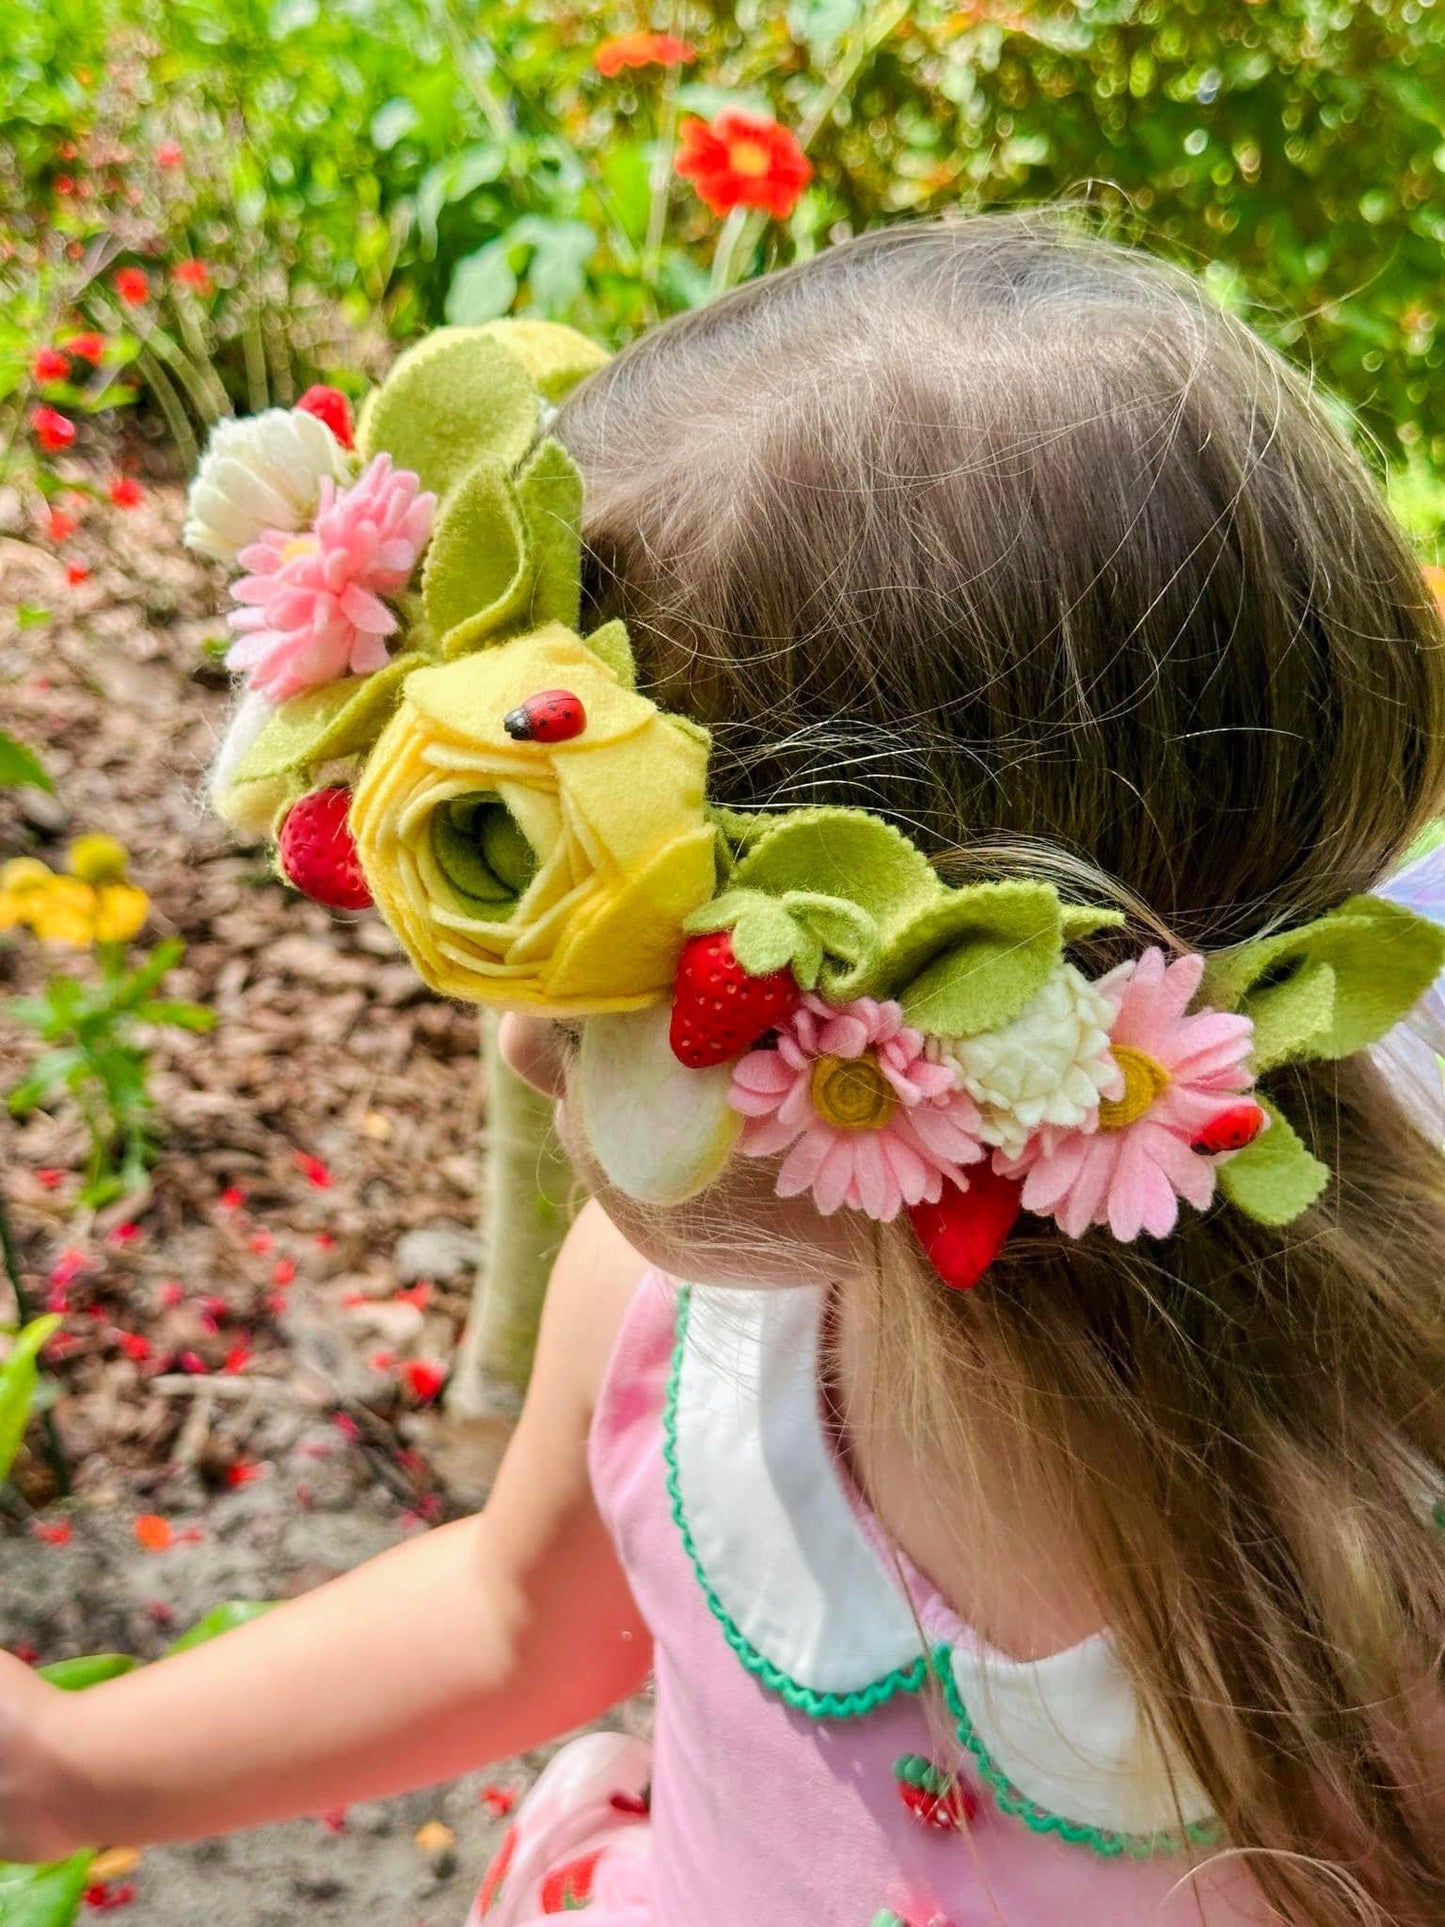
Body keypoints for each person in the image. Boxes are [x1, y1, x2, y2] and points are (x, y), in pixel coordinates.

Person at [3, 215, 1444, 1927]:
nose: (530, 1056)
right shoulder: (670, 1321)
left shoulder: (1381, 1556)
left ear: (943, 1004)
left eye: (630, 993)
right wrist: (81, 1772)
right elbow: (511, 1619)